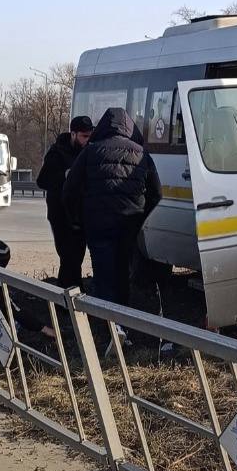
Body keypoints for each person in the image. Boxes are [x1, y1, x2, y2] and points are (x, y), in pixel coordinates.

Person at [62, 106, 162, 320]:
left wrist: (77, 219)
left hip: (97, 223)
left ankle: (107, 324)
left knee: (103, 272)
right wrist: (140, 217)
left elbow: (69, 190)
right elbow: (157, 193)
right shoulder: (142, 153)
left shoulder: (90, 151)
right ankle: (122, 321)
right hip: (129, 224)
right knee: (122, 271)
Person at [36, 115, 93, 287]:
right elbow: (42, 181)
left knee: (76, 258)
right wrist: (65, 176)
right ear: (73, 134)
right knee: (69, 258)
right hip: (60, 214)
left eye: (89, 136)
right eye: (84, 136)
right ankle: (71, 296)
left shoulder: (88, 152)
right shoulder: (57, 153)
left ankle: (69, 295)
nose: (87, 140)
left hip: (80, 214)